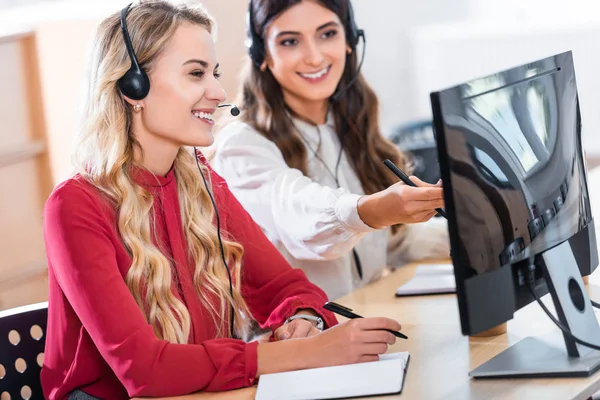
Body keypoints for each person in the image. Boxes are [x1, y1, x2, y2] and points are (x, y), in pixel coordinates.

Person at [41, 2, 401, 399]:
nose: (219, 93)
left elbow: (282, 286)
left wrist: (303, 319)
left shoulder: (201, 182)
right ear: (132, 86)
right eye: (196, 74)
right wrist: (303, 353)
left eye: (214, 73)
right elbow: (145, 372)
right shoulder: (74, 206)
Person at [212, 0, 450, 300]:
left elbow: (393, 242)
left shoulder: (347, 124)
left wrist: (476, 231)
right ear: (262, 54)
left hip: (370, 320)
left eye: (327, 34)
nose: (314, 57)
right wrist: (373, 210)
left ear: (349, 40)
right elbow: (300, 213)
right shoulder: (241, 145)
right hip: (301, 338)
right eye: (290, 41)